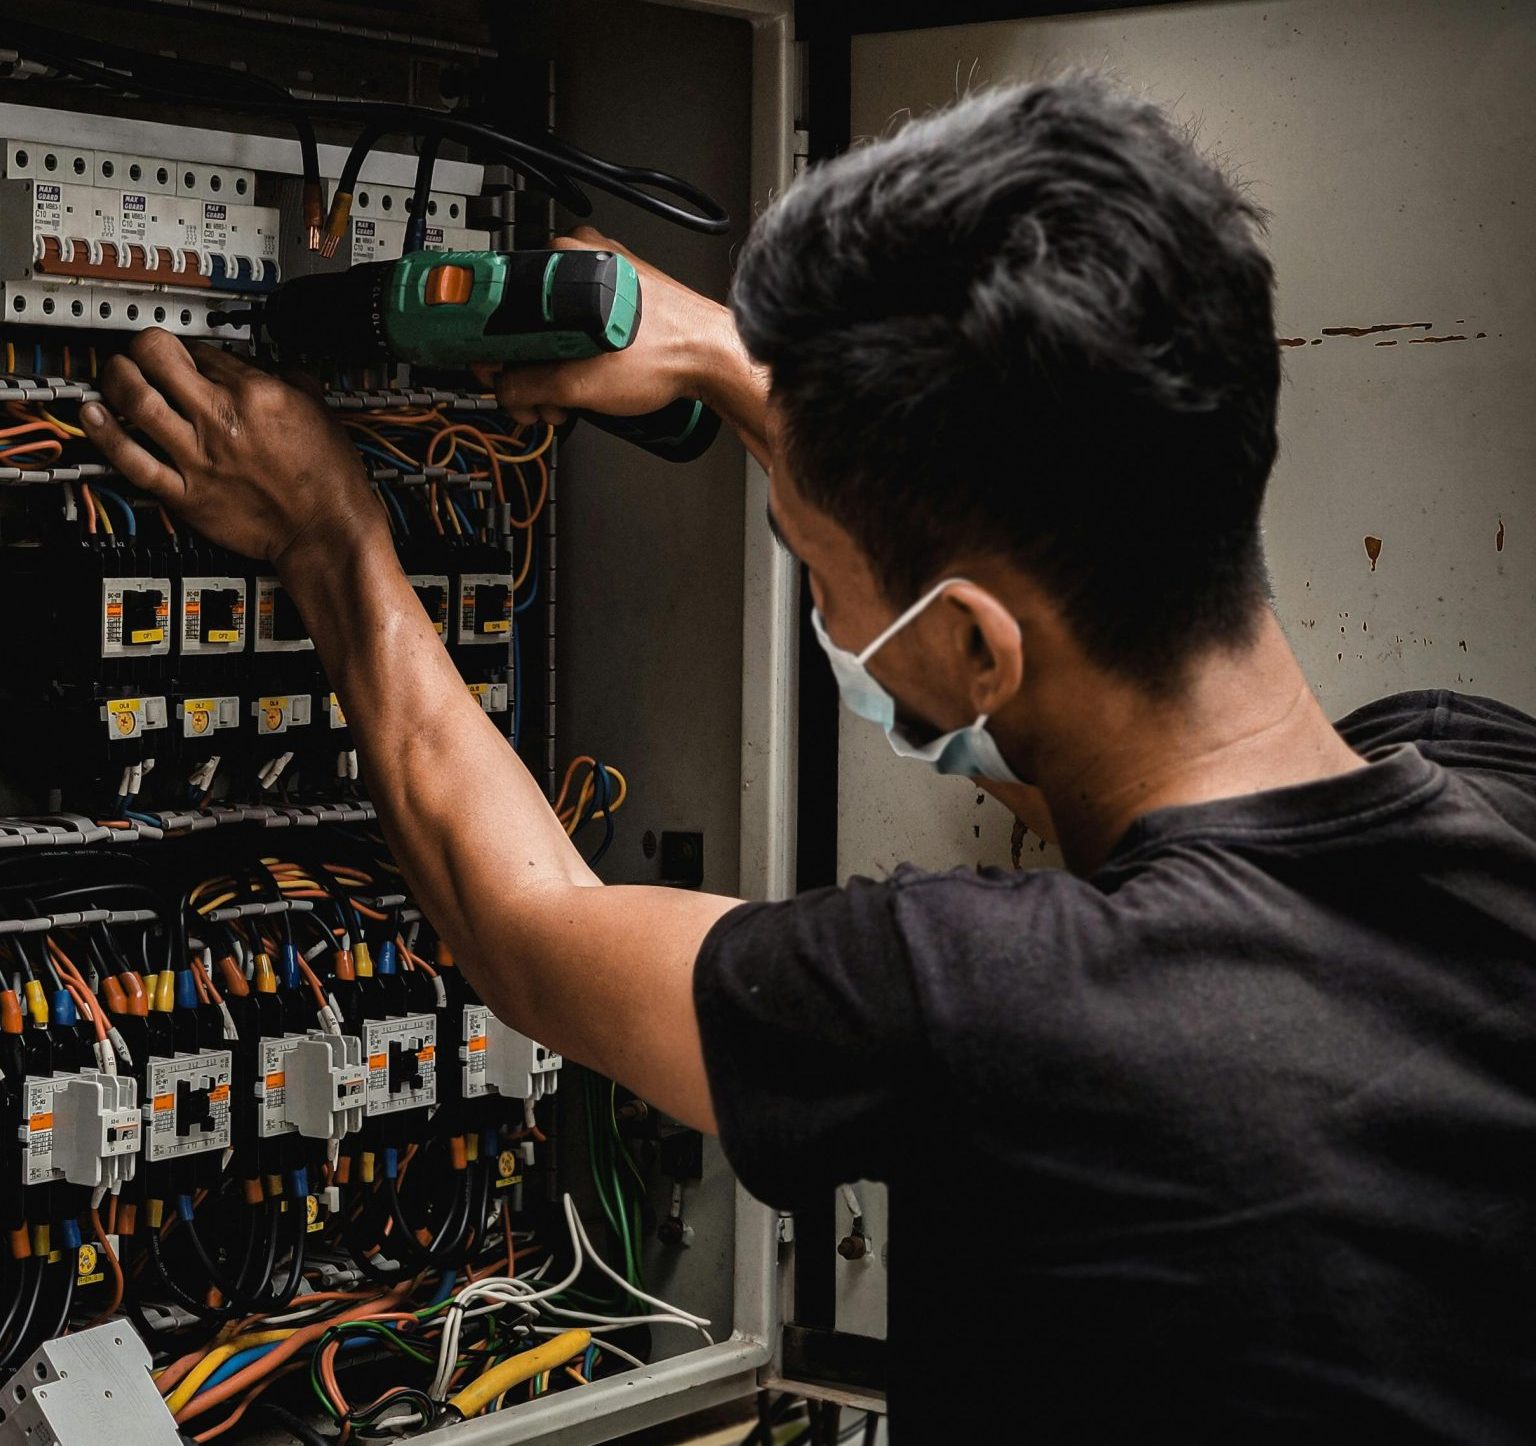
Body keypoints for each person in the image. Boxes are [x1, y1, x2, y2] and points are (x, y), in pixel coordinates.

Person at [79, 73, 1536, 1443]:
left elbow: (528, 928)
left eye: (817, 567)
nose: (822, 606)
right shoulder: (1482, 773)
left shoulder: (997, 1007)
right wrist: (721, 356)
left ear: (971, 646)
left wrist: (331, 536)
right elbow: (1115, 720)